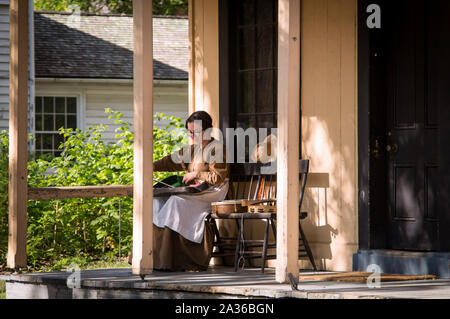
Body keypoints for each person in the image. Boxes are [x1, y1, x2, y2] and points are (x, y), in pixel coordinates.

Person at [140, 111, 229, 271]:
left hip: (211, 193)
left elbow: (217, 178)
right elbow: (172, 160)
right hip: (194, 192)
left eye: (196, 132)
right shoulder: (193, 150)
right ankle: (156, 257)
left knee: (175, 201)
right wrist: (151, 166)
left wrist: (197, 174)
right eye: (190, 132)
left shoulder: (217, 149)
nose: (192, 135)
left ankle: (179, 259)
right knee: (156, 201)